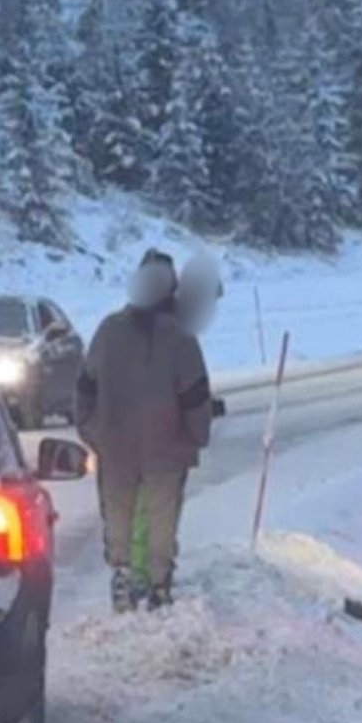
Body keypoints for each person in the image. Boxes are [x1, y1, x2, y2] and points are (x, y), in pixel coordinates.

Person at [75, 249, 215, 612]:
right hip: (167, 448)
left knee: (117, 512)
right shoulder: (181, 339)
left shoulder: (108, 330)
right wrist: (196, 436)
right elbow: (196, 396)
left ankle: (121, 575)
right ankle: (159, 584)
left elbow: (85, 387)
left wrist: (91, 431)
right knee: (161, 516)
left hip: (115, 447)